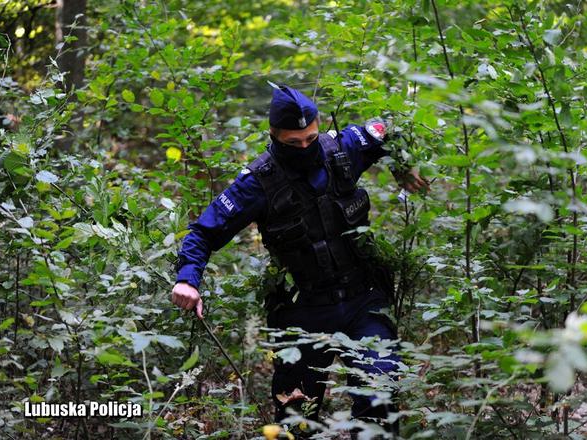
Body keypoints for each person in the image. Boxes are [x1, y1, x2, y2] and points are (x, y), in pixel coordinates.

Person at [171, 83, 429, 436]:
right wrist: (187, 279)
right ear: (274, 135)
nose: (305, 148)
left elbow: (394, 127)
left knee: (379, 400)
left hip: (363, 298)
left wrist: (405, 164)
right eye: (294, 143)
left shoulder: (342, 148)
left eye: (310, 138)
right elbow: (203, 232)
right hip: (304, 311)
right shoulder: (257, 183)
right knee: (295, 420)